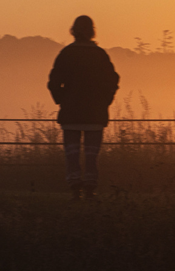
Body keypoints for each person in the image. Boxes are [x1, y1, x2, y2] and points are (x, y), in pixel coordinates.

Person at [47, 16, 120, 200]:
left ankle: (74, 187)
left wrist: (62, 100)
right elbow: (113, 81)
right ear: (92, 31)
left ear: (73, 30)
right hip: (95, 114)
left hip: (70, 113)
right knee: (91, 154)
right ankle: (90, 187)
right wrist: (105, 101)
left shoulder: (66, 54)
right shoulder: (100, 55)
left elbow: (54, 82)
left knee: (72, 153)